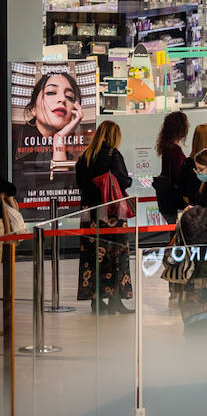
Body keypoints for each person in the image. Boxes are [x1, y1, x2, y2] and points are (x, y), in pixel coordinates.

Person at [74, 120, 133, 313]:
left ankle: (96, 300)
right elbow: (124, 181)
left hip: (90, 213)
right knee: (117, 255)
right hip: (111, 213)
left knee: (92, 257)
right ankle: (116, 299)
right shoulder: (112, 154)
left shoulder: (85, 157)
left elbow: (80, 184)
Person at [13, 68, 87, 184]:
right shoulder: (13, 141)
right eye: (51, 92)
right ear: (33, 109)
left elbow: (62, 188)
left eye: (69, 97)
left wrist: (59, 138)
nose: (62, 99)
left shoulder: (74, 150)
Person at [153, 110, 190, 223]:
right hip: (175, 200)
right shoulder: (175, 150)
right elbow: (177, 175)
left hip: (166, 200)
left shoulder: (167, 148)